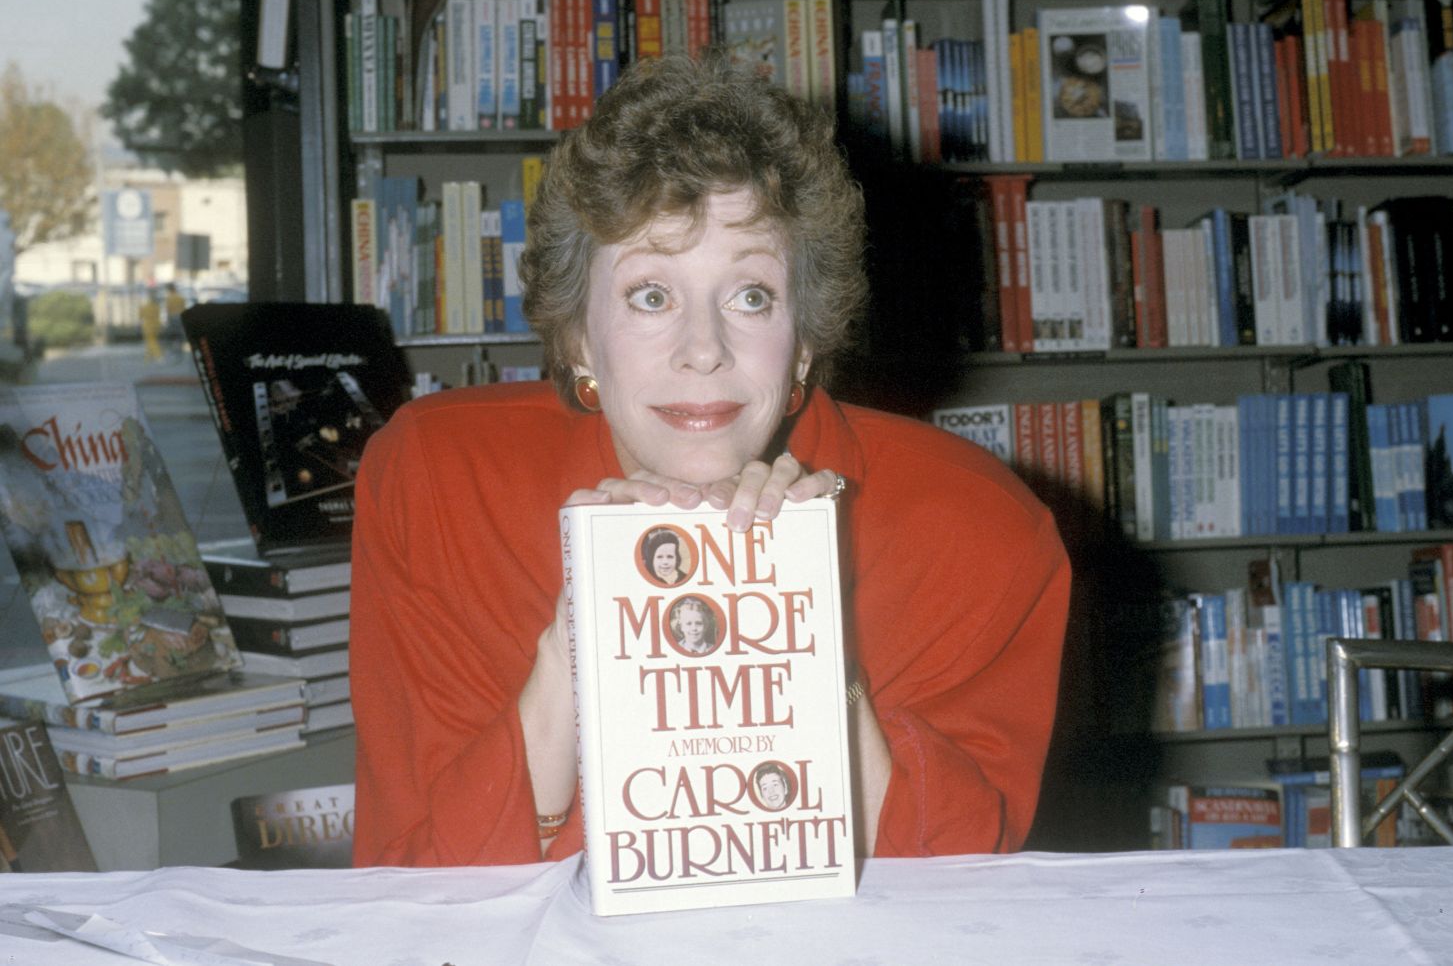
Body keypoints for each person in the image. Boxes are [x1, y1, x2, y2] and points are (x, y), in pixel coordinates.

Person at [350, 52, 1071, 868]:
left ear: (803, 340)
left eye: (751, 296)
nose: (704, 351)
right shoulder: (439, 482)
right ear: (580, 335)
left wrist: (800, 628)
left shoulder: (979, 532)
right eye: (651, 295)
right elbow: (414, 895)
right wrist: (573, 648)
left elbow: (958, 902)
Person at [139, 291, 163, 363]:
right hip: (156, 326)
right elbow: (159, 316)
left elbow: (140, 316)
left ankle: (158, 355)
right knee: (152, 340)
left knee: (151, 341)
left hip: (147, 326)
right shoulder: (157, 307)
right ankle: (149, 356)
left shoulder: (143, 307)